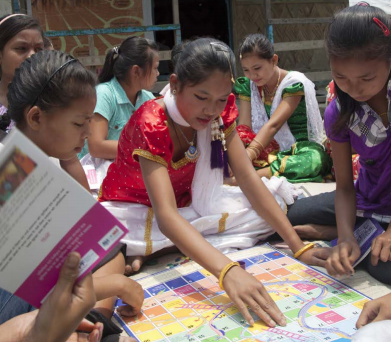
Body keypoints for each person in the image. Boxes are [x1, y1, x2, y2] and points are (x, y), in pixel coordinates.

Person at [99, 37, 331, 326]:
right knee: (108, 239)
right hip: (133, 209)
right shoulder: (152, 122)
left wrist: (298, 247)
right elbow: (167, 216)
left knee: (265, 205)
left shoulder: (221, 115)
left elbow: (247, 178)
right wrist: (227, 271)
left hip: (190, 203)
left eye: (221, 99)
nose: (211, 110)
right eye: (201, 97)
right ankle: (154, 245)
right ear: (174, 84)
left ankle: (157, 248)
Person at [4, 50, 140, 341]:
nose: (88, 133)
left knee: (111, 248)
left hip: (37, 307)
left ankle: (90, 322)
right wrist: (116, 284)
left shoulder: (43, 159)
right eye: (79, 124)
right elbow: (36, 282)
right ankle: (91, 321)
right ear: (36, 117)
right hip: (11, 311)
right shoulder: (13, 176)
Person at [287, 3, 391, 284]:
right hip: (368, 198)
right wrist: (345, 238)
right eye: (340, 77)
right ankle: (352, 230)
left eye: (366, 78)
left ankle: (355, 231)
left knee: (383, 265)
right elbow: (344, 186)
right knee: (291, 215)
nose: (354, 89)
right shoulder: (339, 111)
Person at [0, 13, 90, 191]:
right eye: (21, 48)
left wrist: (93, 213)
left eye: (38, 49)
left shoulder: (51, 99)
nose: (32, 56)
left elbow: (70, 161)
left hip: (50, 200)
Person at [232, 34, 332, 184]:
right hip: (264, 147)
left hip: (299, 149)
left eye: (257, 68)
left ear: (274, 60)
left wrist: (247, 156)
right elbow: (244, 127)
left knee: (316, 160)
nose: (252, 75)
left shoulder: (293, 83)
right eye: (246, 70)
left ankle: (243, 178)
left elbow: (274, 125)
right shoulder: (248, 85)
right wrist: (239, 152)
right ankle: (252, 172)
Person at [78, 36, 159, 161]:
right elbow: (96, 146)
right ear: (136, 71)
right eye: (155, 68)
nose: (158, 73)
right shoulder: (104, 94)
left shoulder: (148, 99)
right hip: (97, 172)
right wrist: (143, 150)